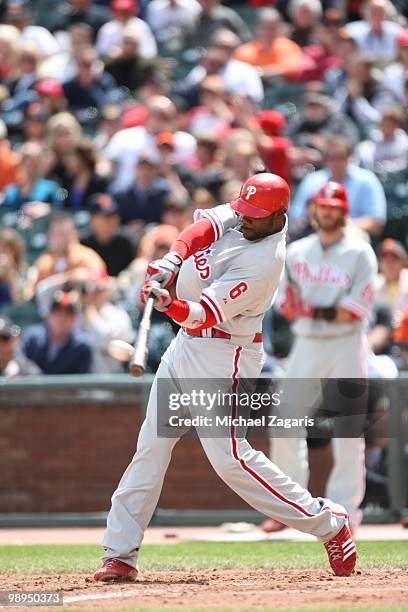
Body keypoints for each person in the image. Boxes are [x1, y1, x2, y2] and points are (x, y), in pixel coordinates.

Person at [93, 173, 357, 582]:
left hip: (225, 354)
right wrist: (172, 261)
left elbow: (202, 314)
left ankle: (329, 524)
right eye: (243, 210)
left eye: (254, 216)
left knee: (231, 460)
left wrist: (168, 302)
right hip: (185, 348)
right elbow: (203, 228)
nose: (244, 219)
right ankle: (120, 552)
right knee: (151, 447)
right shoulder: (247, 213)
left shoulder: (265, 262)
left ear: (279, 216)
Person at [269, 181, 377, 533]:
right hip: (307, 344)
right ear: (315, 210)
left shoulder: (360, 252)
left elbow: (354, 311)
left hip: (346, 344)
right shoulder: (298, 251)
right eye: (322, 205)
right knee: (284, 422)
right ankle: (289, 507)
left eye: (334, 206)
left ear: (343, 211)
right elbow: (285, 302)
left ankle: (345, 512)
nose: (327, 211)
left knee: (348, 430)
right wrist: (298, 308)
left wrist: (311, 308)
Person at [290, 135, 387, 237]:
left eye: (340, 157)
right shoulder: (312, 181)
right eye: (331, 158)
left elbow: (376, 222)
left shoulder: (367, 179)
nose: (336, 162)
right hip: (315, 236)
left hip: (351, 236)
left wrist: (339, 227)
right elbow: (297, 217)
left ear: (349, 157)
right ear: (325, 160)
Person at [19, 290, 94, 374]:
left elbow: (80, 382)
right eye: (57, 313)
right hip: (32, 386)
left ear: (74, 319)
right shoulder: (32, 337)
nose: (61, 318)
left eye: (67, 314)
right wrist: (32, 372)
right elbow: (18, 356)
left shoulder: (83, 346)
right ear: (48, 315)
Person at [233, 8, 304, 80]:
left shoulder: (290, 47)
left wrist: (259, 72)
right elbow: (238, 73)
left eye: (273, 28)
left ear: (280, 28)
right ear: (257, 28)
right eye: (265, 28)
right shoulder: (244, 52)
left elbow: (290, 69)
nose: (269, 32)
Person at [81, 193, 135, 276]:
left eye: (114, 216)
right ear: (93, 219)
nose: (112, 221)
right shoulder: (83, 243)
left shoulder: (126, 242)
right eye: (106, 217)